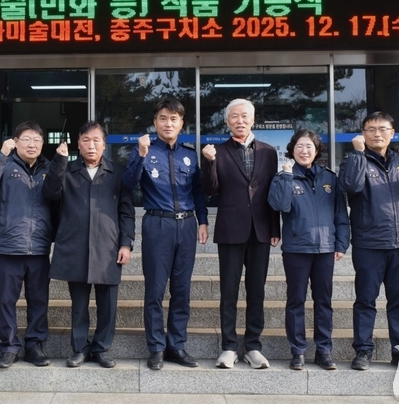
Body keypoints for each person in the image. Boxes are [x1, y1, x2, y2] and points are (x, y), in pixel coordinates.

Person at [123, 97, 209, 370]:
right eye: (163, 118)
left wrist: (203, 220)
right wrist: (141, 154)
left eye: (173, 119)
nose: (168, 123)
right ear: (155, 122)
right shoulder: (144, 150)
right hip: (157, 225)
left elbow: (198, 190)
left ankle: (177, 346)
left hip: (187, 225)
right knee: (155, 290)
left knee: (181, 290)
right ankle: (156, 348)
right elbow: (128, 184)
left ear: (181, 123)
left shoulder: (190, 154)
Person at [44, 121, 135, 368]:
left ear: (104, 145)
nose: (91, 145)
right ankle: (80, 349)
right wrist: (59, 161)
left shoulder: (118, 173)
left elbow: (126, 211)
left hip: (108, 246)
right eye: (86, 140)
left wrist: (126, 244)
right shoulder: (66, 170)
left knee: (108, 304)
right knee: (79, 305)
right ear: (78, 144)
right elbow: (50, 193)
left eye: (96, 140)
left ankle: (102, 348)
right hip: (75, 246)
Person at [201, 98, 280, 369]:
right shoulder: (217, 152)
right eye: (234, 116)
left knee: (256, 290)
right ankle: (229, 346)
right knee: (229, 290)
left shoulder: (269, 152)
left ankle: (253, 345)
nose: (240, 120)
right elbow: (209, 189)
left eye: (245, 116)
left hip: (261, 229)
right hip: (230, 229)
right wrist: (208, 163)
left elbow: (272, 192)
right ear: (227, 121)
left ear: (253, 120)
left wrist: (275, 227)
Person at [338, 111, 399, 370]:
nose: (377, 134)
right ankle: (363, 350)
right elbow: (351, 187)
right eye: (370, 129)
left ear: (392, 133)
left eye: (383, 129)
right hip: (368, 242)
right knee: (365, 300)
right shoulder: (353, 160)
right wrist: (358, 154)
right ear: (363, 134)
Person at [268, 129, 349, 371]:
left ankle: (324, 351)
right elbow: (279, 205)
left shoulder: (329, 178)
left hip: (325, 249)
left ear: (316, 150)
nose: (304, 151)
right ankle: (298, 351)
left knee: (324, 301)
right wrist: (285, 176)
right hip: (296, 248)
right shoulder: (284, 177)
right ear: (292, 150)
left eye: (309, 147)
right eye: (299, 147)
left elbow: (340, 214)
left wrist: (341, 243)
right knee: (296, 301)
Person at [0, 121, 54, 369]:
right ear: (15, 141)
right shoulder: (4, 164)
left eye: (37, 140)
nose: (32, 144)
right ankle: (9, 347)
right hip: (7, 245)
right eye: (26, 139)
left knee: (39, 300)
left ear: (42, 144)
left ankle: (34, 345)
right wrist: (1, 153)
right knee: (6, 300)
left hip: (39, 246)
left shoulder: (49, 169)